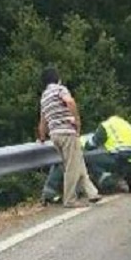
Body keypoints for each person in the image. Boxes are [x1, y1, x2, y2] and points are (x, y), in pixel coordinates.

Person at [36, 66, 101, 207]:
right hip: (67, 132)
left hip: (54, 135)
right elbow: (70, 102)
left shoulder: (44, 96)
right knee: (72, 167)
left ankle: (92, 193)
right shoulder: (60, 89)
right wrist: (77, 120)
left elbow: (42, 120)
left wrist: (42, 137)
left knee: (77, 162)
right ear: (57, 78)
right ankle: (70, 199)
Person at [41, 113, 131, 203]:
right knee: (108, 159)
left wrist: (84, 144)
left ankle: (103, 178)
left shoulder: (106, 125)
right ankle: (127, 185)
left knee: (88, 158)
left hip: (116, 158)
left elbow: (93, 144)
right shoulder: (126, 124)